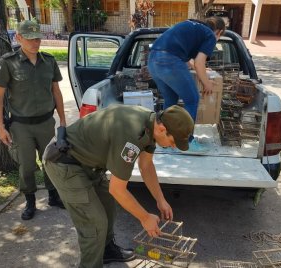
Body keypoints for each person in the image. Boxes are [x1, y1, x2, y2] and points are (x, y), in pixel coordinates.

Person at [43, 104, 194, 268]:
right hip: (64, 162)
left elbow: (146, 166)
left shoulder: (151, 123)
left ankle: (106, 251)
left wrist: (160, 199)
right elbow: (118, 190)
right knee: (95, 223)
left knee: (108, 205)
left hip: (88, 162)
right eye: (173, 141)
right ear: (162, 129)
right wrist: (145, 218)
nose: (173, 146)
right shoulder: (132, 136)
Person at [0, 20, 67, 220]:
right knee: (26, 165)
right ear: (19, 37)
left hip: (45, 123)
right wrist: (0, 127)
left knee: (51, 160)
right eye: (30, 38)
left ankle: (53, 196)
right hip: (21, 125)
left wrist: (63, 121)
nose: (35, 42)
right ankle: (30, 201)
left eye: (38, 38)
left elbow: (56, 92)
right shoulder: (8, 63)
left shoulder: (49, 61)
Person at [147, 17, 225, 150]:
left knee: (170, 99)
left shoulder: (192, 25)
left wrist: (201, 69)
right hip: (169, 61)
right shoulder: (210, 36)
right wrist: (207, 83)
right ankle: (187, 141)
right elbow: (199, 62)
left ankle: (165, 138)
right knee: (192, 99)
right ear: (219, 32)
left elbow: (189, 60)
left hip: (153, 60)